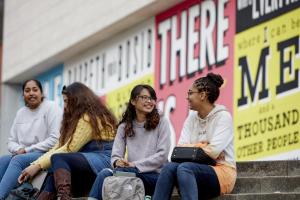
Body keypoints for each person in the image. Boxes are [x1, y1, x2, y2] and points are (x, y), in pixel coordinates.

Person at [18, 82, 117, 200]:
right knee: (54, 170)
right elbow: (58, 146)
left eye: (66, 101)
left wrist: (37, 166)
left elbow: (69, 149)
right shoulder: (75, 119)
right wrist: (35, 164)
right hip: (88, 158)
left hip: (103, 159)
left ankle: (64, 197)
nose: (64, 106)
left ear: (77, 100)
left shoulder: (88, 118)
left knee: (58, 158)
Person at [152, 73, 236, 200]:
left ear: (202, 95)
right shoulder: (191, 118)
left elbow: (213, 152)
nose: (187, 97)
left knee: (185, 168)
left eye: (190, 93)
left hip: (222, 173)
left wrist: (193, 148)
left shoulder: (223, 117)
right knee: (169, 167)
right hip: (193, 171)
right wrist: (203, 145)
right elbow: (179, 150)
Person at [88, 84, 171, 200]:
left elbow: (162, 156)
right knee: (104, 174)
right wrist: (118, 162)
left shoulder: (162, 122)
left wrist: (135, 165)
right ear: (133, 101)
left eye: (152, 98)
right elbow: (115, 156)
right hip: (130, 173)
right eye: (144, 97)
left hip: (156, 176)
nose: (149, 101)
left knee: (120, 176)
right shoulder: (124, 126)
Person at [0, 79, 62, 200]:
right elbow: (11, 140)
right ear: (23, 95)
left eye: (35, 90)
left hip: (46, 154)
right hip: (23, 154)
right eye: (27, 90)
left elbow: (55, 139)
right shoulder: (20, 113)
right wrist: (19, 149)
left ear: (42, 93)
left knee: (18, 160)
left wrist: (27, 150)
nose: (31, 93)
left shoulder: (51, 107)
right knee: (3, 160)